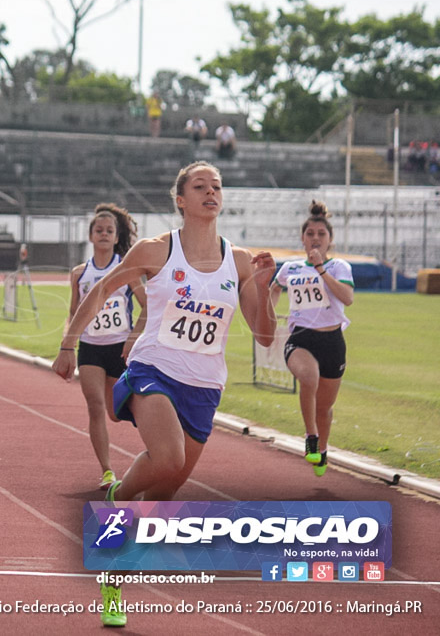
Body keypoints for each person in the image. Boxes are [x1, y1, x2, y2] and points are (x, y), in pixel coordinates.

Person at [52, 161, 276, 628]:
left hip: (205, 385)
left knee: (166, 492)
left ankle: (114, 573)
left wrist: (265, 288)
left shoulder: (238, 260)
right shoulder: (156, 249)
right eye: (200, 186)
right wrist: (69, 343)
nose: (211, 192)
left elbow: (264, 336)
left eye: (217, 186)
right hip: (153, 368)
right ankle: (115, 498)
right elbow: (100, 292)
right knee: (169, 457)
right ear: (181, 199)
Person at [64, 204, 146, 491]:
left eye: (109, 231)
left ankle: (155, 453)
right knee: (96, 407)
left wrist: (133, 338)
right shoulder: (79, 274)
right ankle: (108, 471)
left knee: (116, 411)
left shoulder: (127, 270)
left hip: (119, 349)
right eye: (98, 230)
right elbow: (74, 313)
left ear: (115, 237)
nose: (103, 234)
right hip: (90, 348)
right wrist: (67, 348)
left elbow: (148, 307)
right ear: (90, 236)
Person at [270, 200, 354, 477]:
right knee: (309, 378)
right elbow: (274, 288)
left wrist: (321, 270)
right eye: (310, 234)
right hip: (301, 339)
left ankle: (323, 450)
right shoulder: (290, 268)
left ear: (330, 239)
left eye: (321, 234)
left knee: (325, 407)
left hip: (332, 342)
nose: (315, 238)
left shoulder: (339, 266)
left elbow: (347, 298)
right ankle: (311, 437)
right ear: (303, 238)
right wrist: (268, 313)